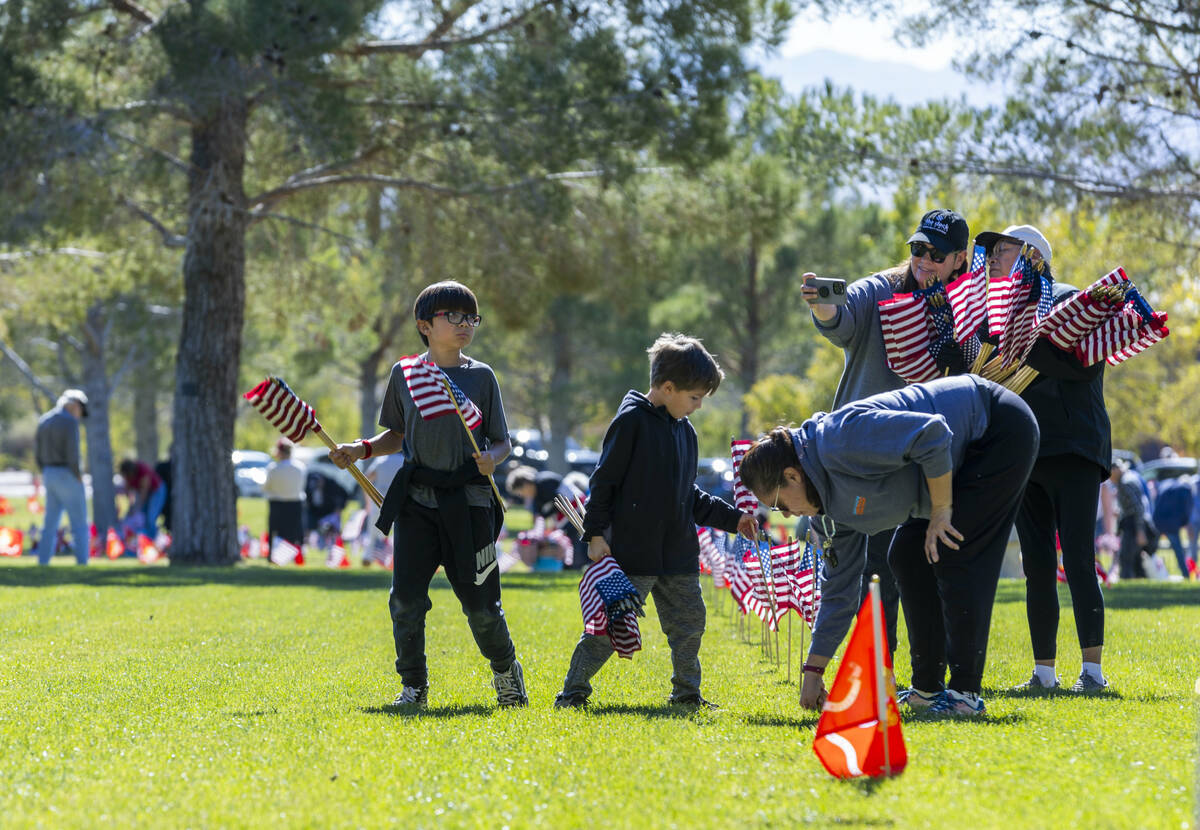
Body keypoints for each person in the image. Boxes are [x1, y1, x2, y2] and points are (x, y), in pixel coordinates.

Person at [738, 375, 1039, 717]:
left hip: (995, 428)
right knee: (907, 555)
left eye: (779, 504)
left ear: (792, 475)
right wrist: (813, 670)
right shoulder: (826, 512)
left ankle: (965, 696)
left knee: (952, 549)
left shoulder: (840, 440)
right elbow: (840, 590)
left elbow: (934, 434)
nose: (787, 515)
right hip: (950, 462)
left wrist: (942, 512)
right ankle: (927, 691)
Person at [798, 209, 972, 702]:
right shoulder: (885, 288)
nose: (924, 261)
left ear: (960, 257)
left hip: (929, 456)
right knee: (874, 571)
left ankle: (930, 682)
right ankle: (878, 675)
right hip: (865, 459)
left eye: (937, 254)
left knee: (926, 568)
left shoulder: (969, 303)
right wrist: (823, 304)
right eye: (918, 249)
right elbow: (843, 313)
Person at [329, 279, 526, 709]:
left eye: (470, 317)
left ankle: (506, 669)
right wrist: (359, 449)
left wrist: (493, 459)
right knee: (405, 600)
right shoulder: (406, 374)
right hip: (417, 502)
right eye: (452, 316)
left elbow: (501, 440)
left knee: (481, 607)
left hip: (471, 504)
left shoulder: (482, 377)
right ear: (424, 325)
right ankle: (413, 686)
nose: (464, 325)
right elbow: (396, 434)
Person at [554, 333, 757, 710]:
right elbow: (604, 482)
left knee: (689, 623)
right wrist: (595, 534)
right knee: (610, 627)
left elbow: (689, 495)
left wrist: (735, 518)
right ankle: (573, 692)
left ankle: (687, 693)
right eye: (694, 397)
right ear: (667, 387)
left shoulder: (686, 431)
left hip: (678, 554)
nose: (698, 406)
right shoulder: (630, 422)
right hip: (633, 553)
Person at [975, 224, 1113, 694]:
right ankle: (1045, 673)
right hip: (1027, 452)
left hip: (1074, 447)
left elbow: (1085, 364)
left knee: (1077, 557)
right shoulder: (997, 315)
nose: (993, 257)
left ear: (1033, 256)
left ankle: (1092, 673)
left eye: (1004, 249)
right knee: (1036, 564)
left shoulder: (1072, 301)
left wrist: (1026, 349)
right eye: (991, 251)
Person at [34, 389, 91, 565]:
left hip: (49, 473)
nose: (80, 414)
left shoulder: (44, 421)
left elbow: (38, 454)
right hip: (67, 474)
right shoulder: (69, 423)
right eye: (80, 409)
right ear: (74, 405)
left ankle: (43, 562)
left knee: (50, 523)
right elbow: (73, 456)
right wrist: (79, 476)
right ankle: (83, 563)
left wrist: (45, 471)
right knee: (80, 523)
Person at [505, 465, 586, 568]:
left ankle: (575, 565)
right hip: (566, 513)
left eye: (521, 492)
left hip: (575, 508)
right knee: (566, 537)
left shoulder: (544, 481)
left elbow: (558, 501)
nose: (523, 495)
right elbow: (539, 512)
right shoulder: (536, 493)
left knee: (573, 538)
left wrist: (543, 515)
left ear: (525, 484)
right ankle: (568, 564)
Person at [1110, 460, 1153, 579]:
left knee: (1126, 558)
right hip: (1132, 522)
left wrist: (1140, 531)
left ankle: (1127, 581)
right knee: (1136, 560)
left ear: (1115, 470)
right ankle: (1140, 582)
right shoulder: (1129, 477)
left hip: (1133, 524)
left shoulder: (1126, 482)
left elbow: (1138, 507)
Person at [263, 438, 306, 553]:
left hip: (277, 503)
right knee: (295, 529)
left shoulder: (273, 468)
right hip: (295, 503)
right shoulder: (300, 467)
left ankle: (274, 553)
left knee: (275, 530)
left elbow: (266, 487)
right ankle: (298, 552)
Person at [118, 458, 168, 536]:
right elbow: (128, 492)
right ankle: (143, 537)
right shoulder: (127, 476)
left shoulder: (142, 469)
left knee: (150, 517)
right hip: (146, 493)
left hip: (157, 490)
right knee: (141, 516)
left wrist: (137, 507)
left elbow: (144, 493)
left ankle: (152, 540)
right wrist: (131, 508)